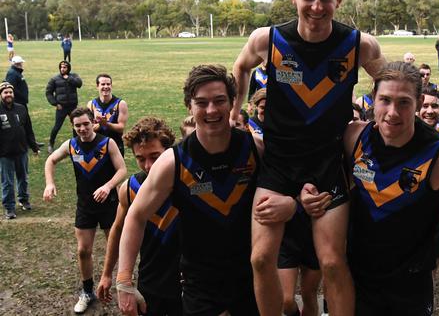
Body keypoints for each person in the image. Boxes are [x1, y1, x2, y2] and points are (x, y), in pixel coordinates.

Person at [229, 0, 385, 315]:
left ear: (339, 0)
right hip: (279, 163)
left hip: (327, 162)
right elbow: (240, 66)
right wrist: (237, 109)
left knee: (331, 262)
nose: (318, 6)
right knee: (261, 259)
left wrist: (382, 117)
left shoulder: (359, 45)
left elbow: (390, 80)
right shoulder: (267, 39)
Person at [301, 62, 439, 315]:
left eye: (403, 102)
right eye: (385, 100)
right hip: (357, 281)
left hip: (410, 287)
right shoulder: (354, 138)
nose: (392, 112)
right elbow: (318, 174)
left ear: (419, 101)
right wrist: (306, 192)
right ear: (372, 100)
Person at [117, 65, 293, 315]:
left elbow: (293, 190)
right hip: (200, 286)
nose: (211, 110)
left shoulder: (256, 150)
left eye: (219, 100)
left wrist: (291, 205)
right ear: (189, 106)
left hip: (253, 280)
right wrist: (123, 281)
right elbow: (135, 216)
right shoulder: (172, 162)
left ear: (233, 102)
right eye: (202, 102)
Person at [43, 107, 127, 314]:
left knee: (116, 246)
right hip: (85, 206)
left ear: (93, 123)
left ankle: (123, 285)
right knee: (83, 250)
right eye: (77, 125)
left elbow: (122, 170)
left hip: (109, 205)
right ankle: (87, 291)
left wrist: (108, 187)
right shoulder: (71, 145)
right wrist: (49, 183)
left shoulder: (108, 143)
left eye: (86, 124)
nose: (82, 128)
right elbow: (50, 160)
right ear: (73, 126)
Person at [96, 117, 181, 315]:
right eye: (141, 158)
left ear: (168, 152)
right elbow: (117, 230)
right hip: (150, 281)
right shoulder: (130, 189)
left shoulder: (188, 183)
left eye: (155, 156)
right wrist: (108, 274)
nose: (149, 166)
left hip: (188, 285)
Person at [0, 82, 39, 219]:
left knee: (23, 178)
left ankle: (24, 200)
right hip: (5, 154)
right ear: (1, 95)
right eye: (5, 92)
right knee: (8, 182)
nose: (8, 95)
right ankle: (9, 207)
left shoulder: (21, 108)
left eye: (10, 92)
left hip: (22, 151)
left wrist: (34, 146)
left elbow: (28, 129)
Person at [46, 61, 83, 153]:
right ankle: (51, 143)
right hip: (61, 107)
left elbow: (79, 84)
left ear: (68, 68)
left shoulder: (73, 76)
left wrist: (69, 79)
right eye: (61, 67)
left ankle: (77, 143)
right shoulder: (54, 79)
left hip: (73, 107)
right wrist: (55, 103)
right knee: (57, 126)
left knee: (76, 125)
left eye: (65, 67)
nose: (63, 69)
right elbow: (48, 92)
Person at [87, 74, 129, 156]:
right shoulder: (91, 104)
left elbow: (121, 128)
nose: (106, 86)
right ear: (97, 86)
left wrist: (105, 124)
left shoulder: (120, 104)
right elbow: (89, 128)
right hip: (96, 146)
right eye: (103, 84)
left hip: (116, 146)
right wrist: (100, 124)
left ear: (111, 85)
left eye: (108, 84)